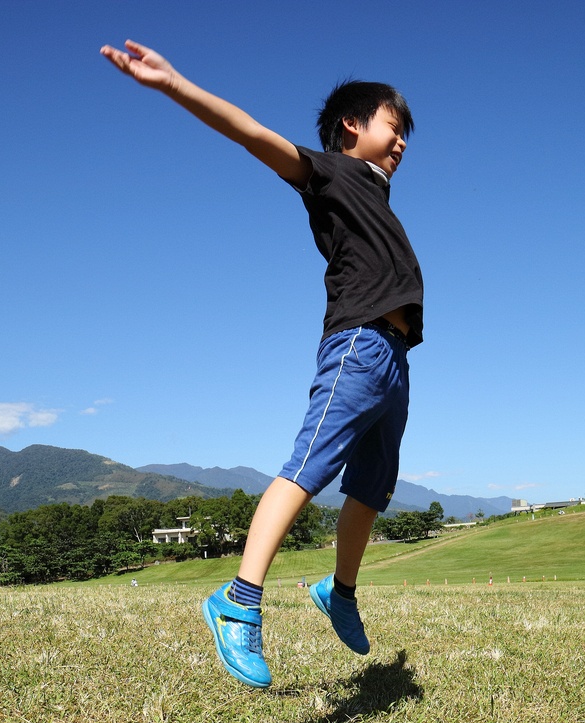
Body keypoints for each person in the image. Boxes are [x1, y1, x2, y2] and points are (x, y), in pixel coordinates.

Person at [101, 41, 422, 689]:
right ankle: (238, 601)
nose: (402, 143)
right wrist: (174, 84)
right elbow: (250, 133)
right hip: (358, 346)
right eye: (394, 127)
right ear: (351, 126)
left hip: (395, 359)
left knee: (371, 489)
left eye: (405, 135)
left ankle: (340, 592)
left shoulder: (377, 195)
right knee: (308, 468)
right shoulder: (330, 173)